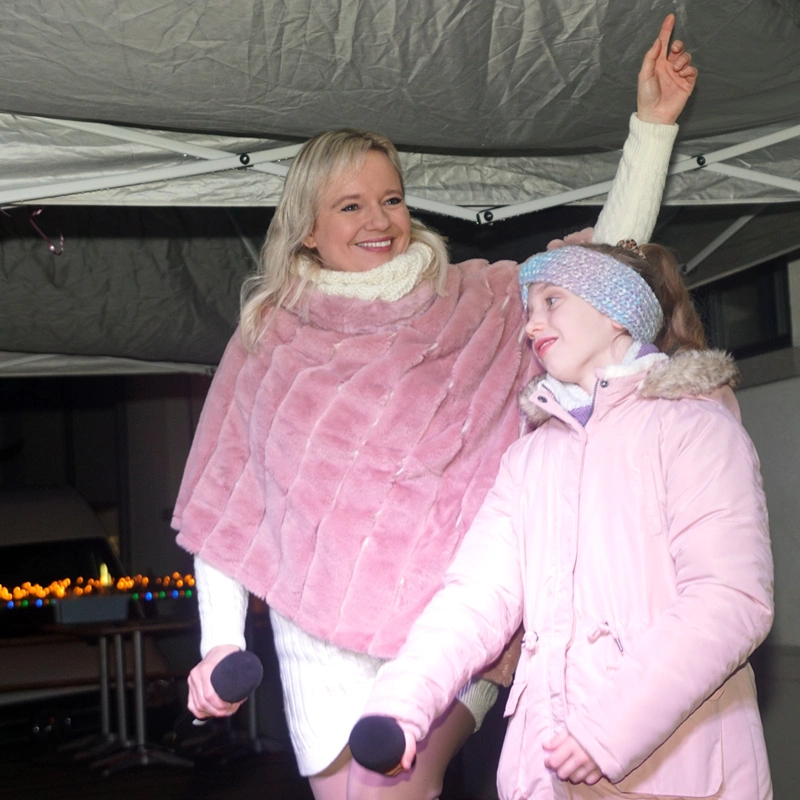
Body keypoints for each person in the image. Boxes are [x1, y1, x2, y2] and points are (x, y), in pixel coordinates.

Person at [172, 15, 701, 800]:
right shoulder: (267, 339)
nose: (379, 221)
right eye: (350, 206)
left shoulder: (477, 303)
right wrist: (218, 644)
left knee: (397, 787)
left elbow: (598, 272)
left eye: (390, 199)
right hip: (318, 636)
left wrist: (651, 128)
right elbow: (227, 505)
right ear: (307, 230)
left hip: (453, 618)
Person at [358, 241, 774, 799]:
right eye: (529, 310)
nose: (533, 325)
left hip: (676, 770)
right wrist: (401, 702)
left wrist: (607, 729)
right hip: (546, 770)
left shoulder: (695, 430)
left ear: (617, 312)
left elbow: (729, 598)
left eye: (552, 301)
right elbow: (475, 596)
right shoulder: (529, 458)